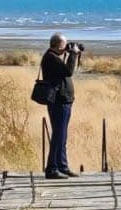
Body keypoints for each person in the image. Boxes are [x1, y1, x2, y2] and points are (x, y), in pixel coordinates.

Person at [41, 33, 82, 179]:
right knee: (58, 135)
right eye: (65, 45)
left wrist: (69, 53)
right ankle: (51, 168)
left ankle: (62, 166)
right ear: (59, 45)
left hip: (63, 101)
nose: (67, 47)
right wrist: (73, 55)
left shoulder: (54, 57)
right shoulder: (51, 58)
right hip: (59, 102)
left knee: (62, 135)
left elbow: (62, 72)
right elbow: (68, 71)